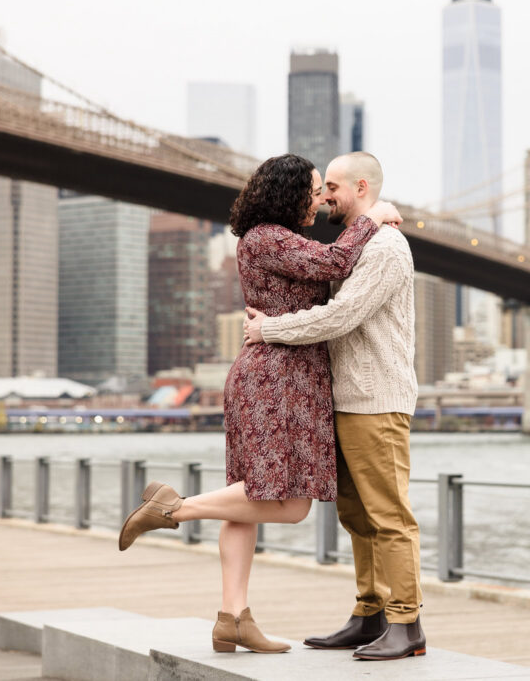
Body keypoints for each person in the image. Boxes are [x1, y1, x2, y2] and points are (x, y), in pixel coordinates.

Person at [117, 153, 400, 654]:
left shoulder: (272, 239)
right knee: (290, 505)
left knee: (245, 503)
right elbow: (335, 262)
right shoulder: (267, 237)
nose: (320, 199)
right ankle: (173, 508)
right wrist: (373, 218)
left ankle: (233, 618)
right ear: (289, 192)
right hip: (279, 379)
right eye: (314, 190)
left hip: (276, 374)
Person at [243, 151, 424, 661]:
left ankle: (406, 623)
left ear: (361, 187)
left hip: (377, 402)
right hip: (344, 401)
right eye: (321, 190)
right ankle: (369, 613)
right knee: (356, 515)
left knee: (388, 515)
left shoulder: (386, 246)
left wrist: (268, 330)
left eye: (333, 188)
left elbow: (341, 316)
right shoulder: (357, 242)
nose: (323, 198)